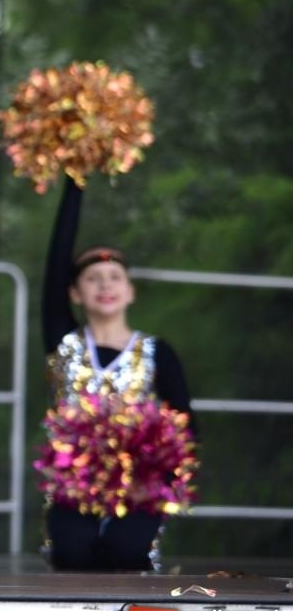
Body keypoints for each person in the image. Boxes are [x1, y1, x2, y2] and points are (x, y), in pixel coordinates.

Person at [40, 176, 195, 571]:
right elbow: (56, 260)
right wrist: (75, 182)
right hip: (75, 485)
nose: (104, 285)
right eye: (92, 278)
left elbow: (186, 426)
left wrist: (158, 474)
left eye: (114, 279)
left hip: (139, 487)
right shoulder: (65, 342)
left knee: (126, 554)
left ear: (130, 291)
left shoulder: (158, 352)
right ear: (74, 293)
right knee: (72, 554)